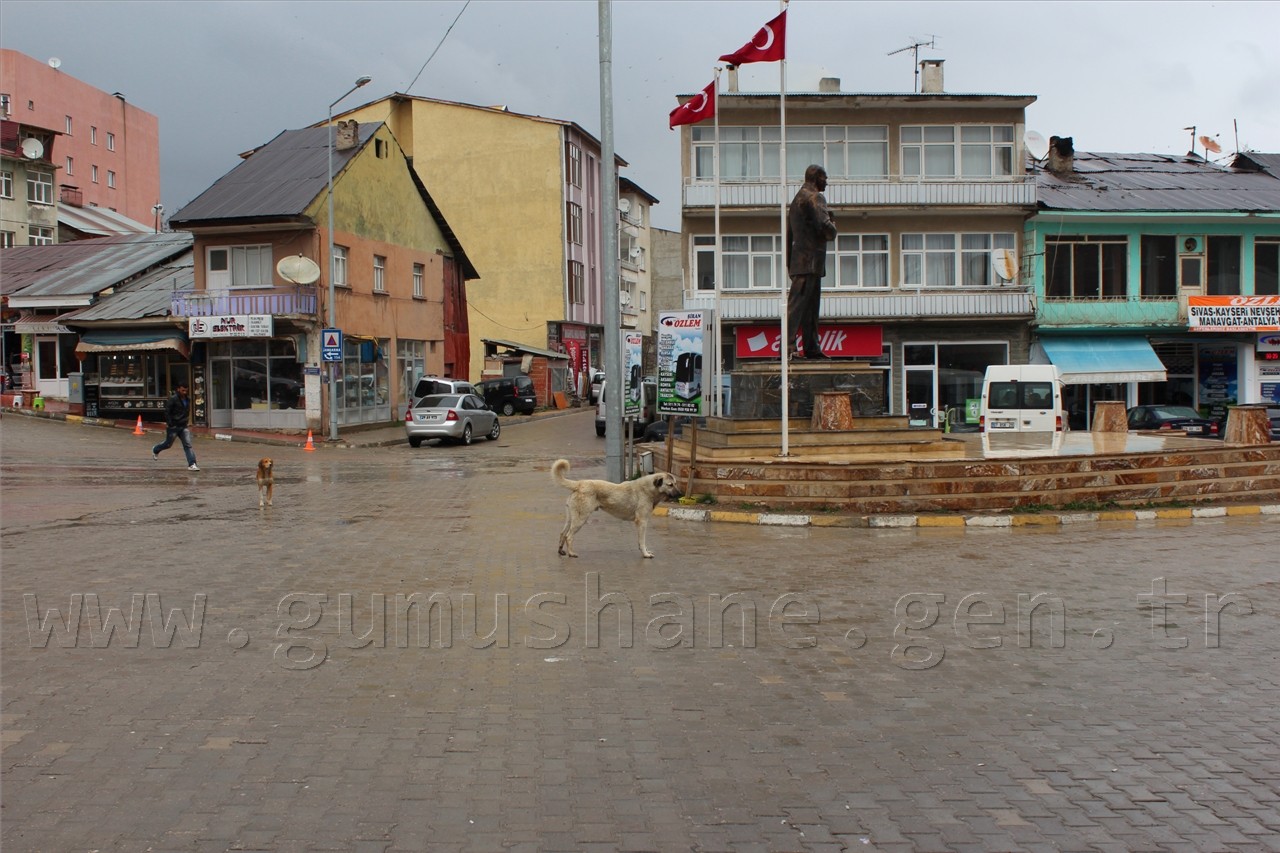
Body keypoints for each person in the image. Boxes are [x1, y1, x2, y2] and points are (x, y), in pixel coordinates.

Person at [786, 164, 838, 359]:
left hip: (800, 261)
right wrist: (833, 225)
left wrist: (790, 263)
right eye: (825, 178)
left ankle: (810, 346)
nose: (827, 181)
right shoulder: (815, 197)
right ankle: (790, 346)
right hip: (810, 260)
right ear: (816, 178)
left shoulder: (796, 199)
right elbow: (825, 227)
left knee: (807, 307)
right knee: (800, 306)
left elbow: (789, 234)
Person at [152, 383, 199, 471]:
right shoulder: (173, 399)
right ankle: (156, 449)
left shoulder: (188, 399)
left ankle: (192, 464)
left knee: (188, 445)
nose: (184, 392)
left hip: (183, 426)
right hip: (173, 426)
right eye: (182, 390)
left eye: (186, 390)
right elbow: (167, 412)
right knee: (168, 444)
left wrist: (186, 421)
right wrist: (170, 423)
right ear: (178, 389)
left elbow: (186, 411)